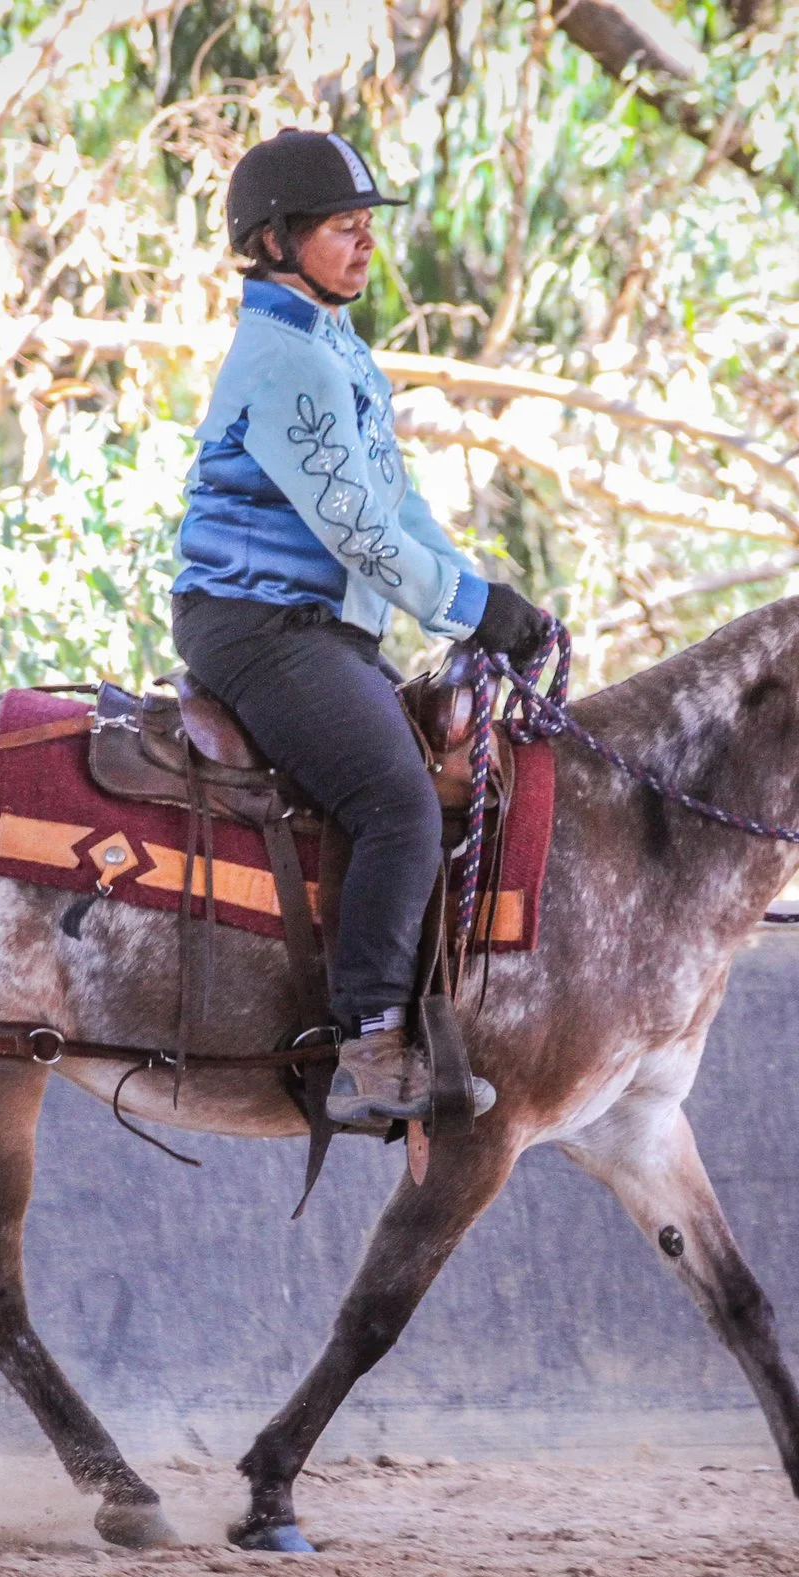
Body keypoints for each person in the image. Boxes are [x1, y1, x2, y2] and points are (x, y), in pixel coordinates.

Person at [170, 128, 553, 1126]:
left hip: (319, 631)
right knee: (396, 803)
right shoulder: (287, 361)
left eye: (364, 227)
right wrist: (474, 610)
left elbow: (401, 509)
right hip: (261, 627)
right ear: (272, 241)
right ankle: (370, 1046)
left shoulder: (333, 349)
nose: (363, 242)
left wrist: (483, 599)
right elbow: (355, 528)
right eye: (343, 227)